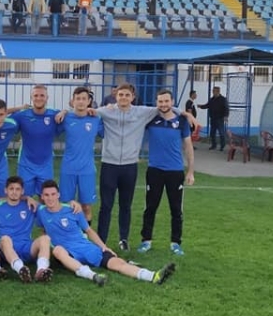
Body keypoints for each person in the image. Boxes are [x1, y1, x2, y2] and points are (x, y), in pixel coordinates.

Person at [58, 83, 197, 250]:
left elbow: (165, 107)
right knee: (106, 206)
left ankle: (123, 239)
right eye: (120, 95)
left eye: (127, 95)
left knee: (125, 205)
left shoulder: (142, 112)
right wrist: (65, 111)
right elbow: (83, 110)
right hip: (109, 165)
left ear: (133, 97)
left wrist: (185, 113)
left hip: (130, 166)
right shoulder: (105, 111)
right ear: (115, 96)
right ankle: (101, 240)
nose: (123, 98)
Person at [36, 180, 176, 287]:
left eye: (53, 194)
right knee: (58, 250)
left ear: (58, 195)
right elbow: (28, 205)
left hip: (86, 248)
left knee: (117, 264)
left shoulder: (73, 210)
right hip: (68, 253)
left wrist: (104, 247)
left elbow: (89, 230)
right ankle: (93, 276)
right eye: (46, 195)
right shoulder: (41, 211)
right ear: (42, 196)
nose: (50, 198)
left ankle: (153, 276)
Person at [139, 90, 195, 255]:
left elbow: (188, 147)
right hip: (154, 170)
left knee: (176, 210)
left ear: (172, 102)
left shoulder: (182, 121)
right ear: (156, 102)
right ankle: (146, 241)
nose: (163, 104)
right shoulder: (150, 119)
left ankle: (175, 243)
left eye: (166, 101)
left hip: (175, 171)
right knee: (150, 208)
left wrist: (190, 171)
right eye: (160, 101)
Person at [0, 176, 53, 283]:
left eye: (17, 189)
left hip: (26, 247)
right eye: (11, 189)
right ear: (5, 190)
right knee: (5, 238)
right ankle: (20, 269)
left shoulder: (30, 205)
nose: (14, 192)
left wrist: (73, 203)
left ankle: (41, 271)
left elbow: (53, 209)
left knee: (45, 238)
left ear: (22, 191)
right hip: (6, 248)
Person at [58, 86, 104, 226]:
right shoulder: (66, 118)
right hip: (68, 168)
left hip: (87, 169)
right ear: (72, 101)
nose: (81, 101)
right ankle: (68, 234)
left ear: (89, 101)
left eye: (84, 98)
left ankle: (84, 235)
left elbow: (110, 128)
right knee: (67, 205)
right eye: (78, 98)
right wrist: (64, 111)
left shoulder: (95, 119)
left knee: (86, 206)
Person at [9, 84, 60, 196]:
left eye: (42, 95)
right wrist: (18, 108)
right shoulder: (22, 115)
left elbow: (74, 115)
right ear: (31, 97)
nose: (39, 98)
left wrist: (65, 111)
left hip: (46, 165)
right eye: (36, 95)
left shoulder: (54, 115)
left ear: (47, 98)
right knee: (24, 198)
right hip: (26, 165)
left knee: (46, 199)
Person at [199, 86, 229, 151]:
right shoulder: (212, 99)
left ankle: (222, 146)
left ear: (218, 92)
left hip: (220, 119)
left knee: (221, 133)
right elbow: (207, 105)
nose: (213, 92)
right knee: (212, 133)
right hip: (213, 118)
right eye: (213, 91)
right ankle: (214, 145)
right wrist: (201, 106)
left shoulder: (223, 99)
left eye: (214, 91)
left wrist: (226, 116)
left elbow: (226, 108)